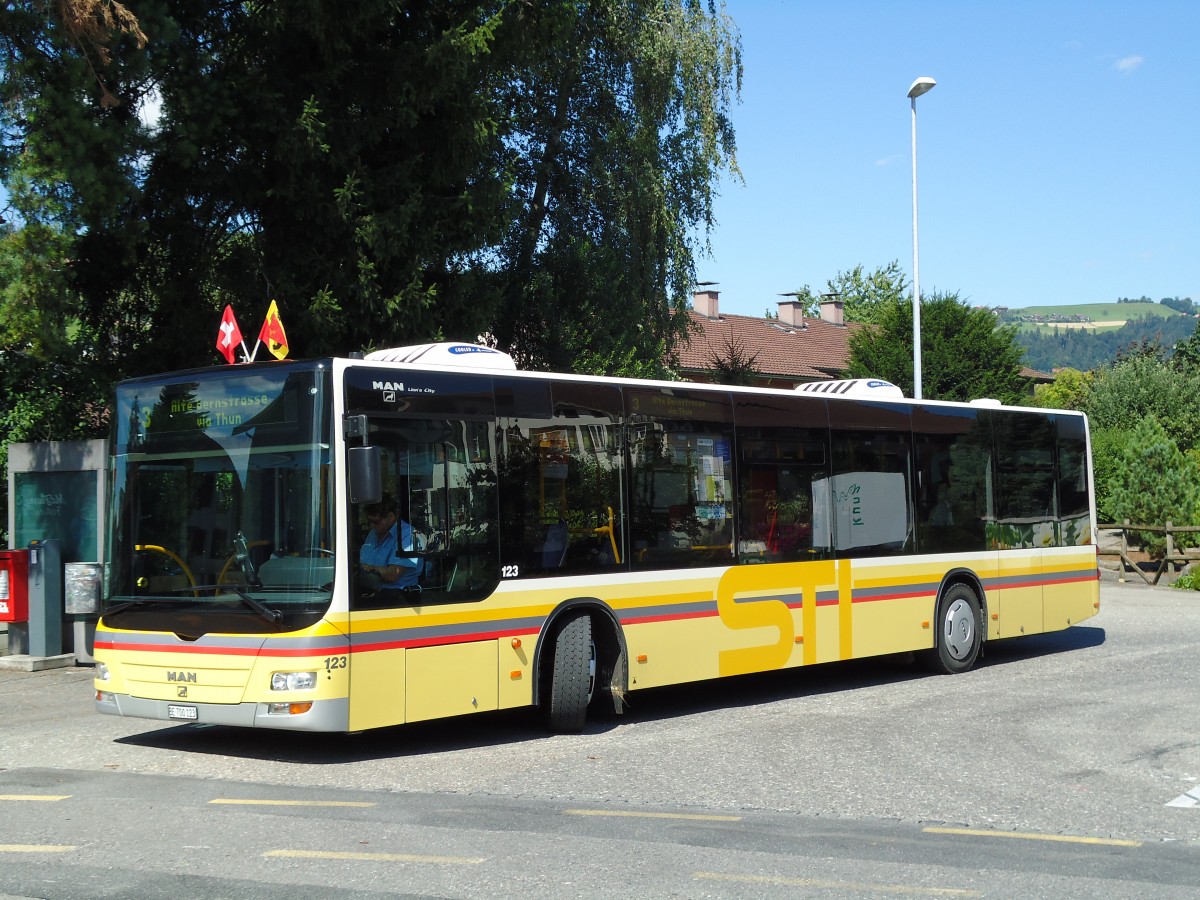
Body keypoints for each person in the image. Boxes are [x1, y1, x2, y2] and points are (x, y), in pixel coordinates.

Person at [359, 494, 420, 590]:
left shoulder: (407, 535)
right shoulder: (373, 533)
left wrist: (365, 569)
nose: (371, 526)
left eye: (375, 522)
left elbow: (393, 574)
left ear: (391, 516)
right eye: (369, 521)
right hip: (370, 591)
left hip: (398, 594)